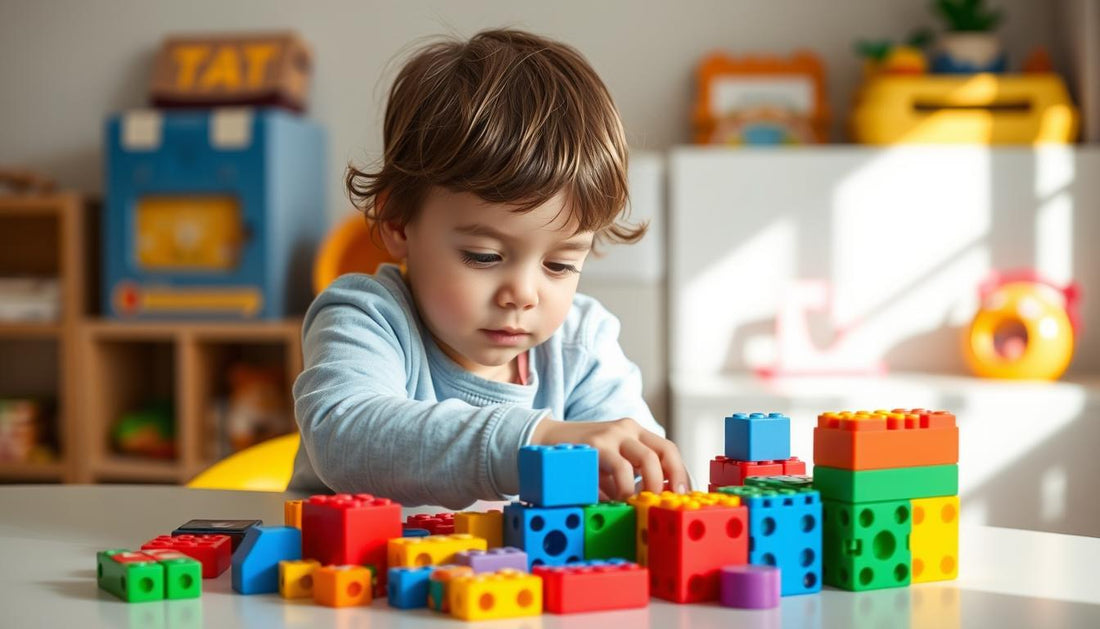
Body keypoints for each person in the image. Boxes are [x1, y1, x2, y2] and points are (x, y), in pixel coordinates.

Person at [290, 28, 688, 508]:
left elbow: (628, 466)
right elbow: (346, 436)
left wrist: (639, 478)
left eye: (559, 264)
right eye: (484, 256)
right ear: (397, 220)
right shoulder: (366, 317)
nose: (522, 294)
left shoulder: (582, 345)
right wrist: (534, 439)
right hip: (354, 578)